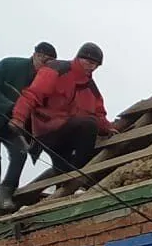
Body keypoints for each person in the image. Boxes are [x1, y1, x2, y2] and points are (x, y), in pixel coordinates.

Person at [11, 42, 115, 180]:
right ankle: (80, 175)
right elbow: (33, 94)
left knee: (64, 171)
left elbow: (98, 113)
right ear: (79, 58)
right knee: (89, 124)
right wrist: (18, 117)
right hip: (47, 129)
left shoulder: (90, 88)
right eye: (89, 62)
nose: (92, 66)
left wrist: (108, 128)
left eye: (96, 64)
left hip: (66, 133)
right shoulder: (56, 69)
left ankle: (72, 180)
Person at [0, 41, 55, 213]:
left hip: (13, 125)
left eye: (49, 61)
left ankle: (6, 193)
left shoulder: (44, 82)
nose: (43, 63)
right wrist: (9, 106)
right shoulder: (10, 65)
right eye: (42, 58)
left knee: (20, 153)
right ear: (34, 55)